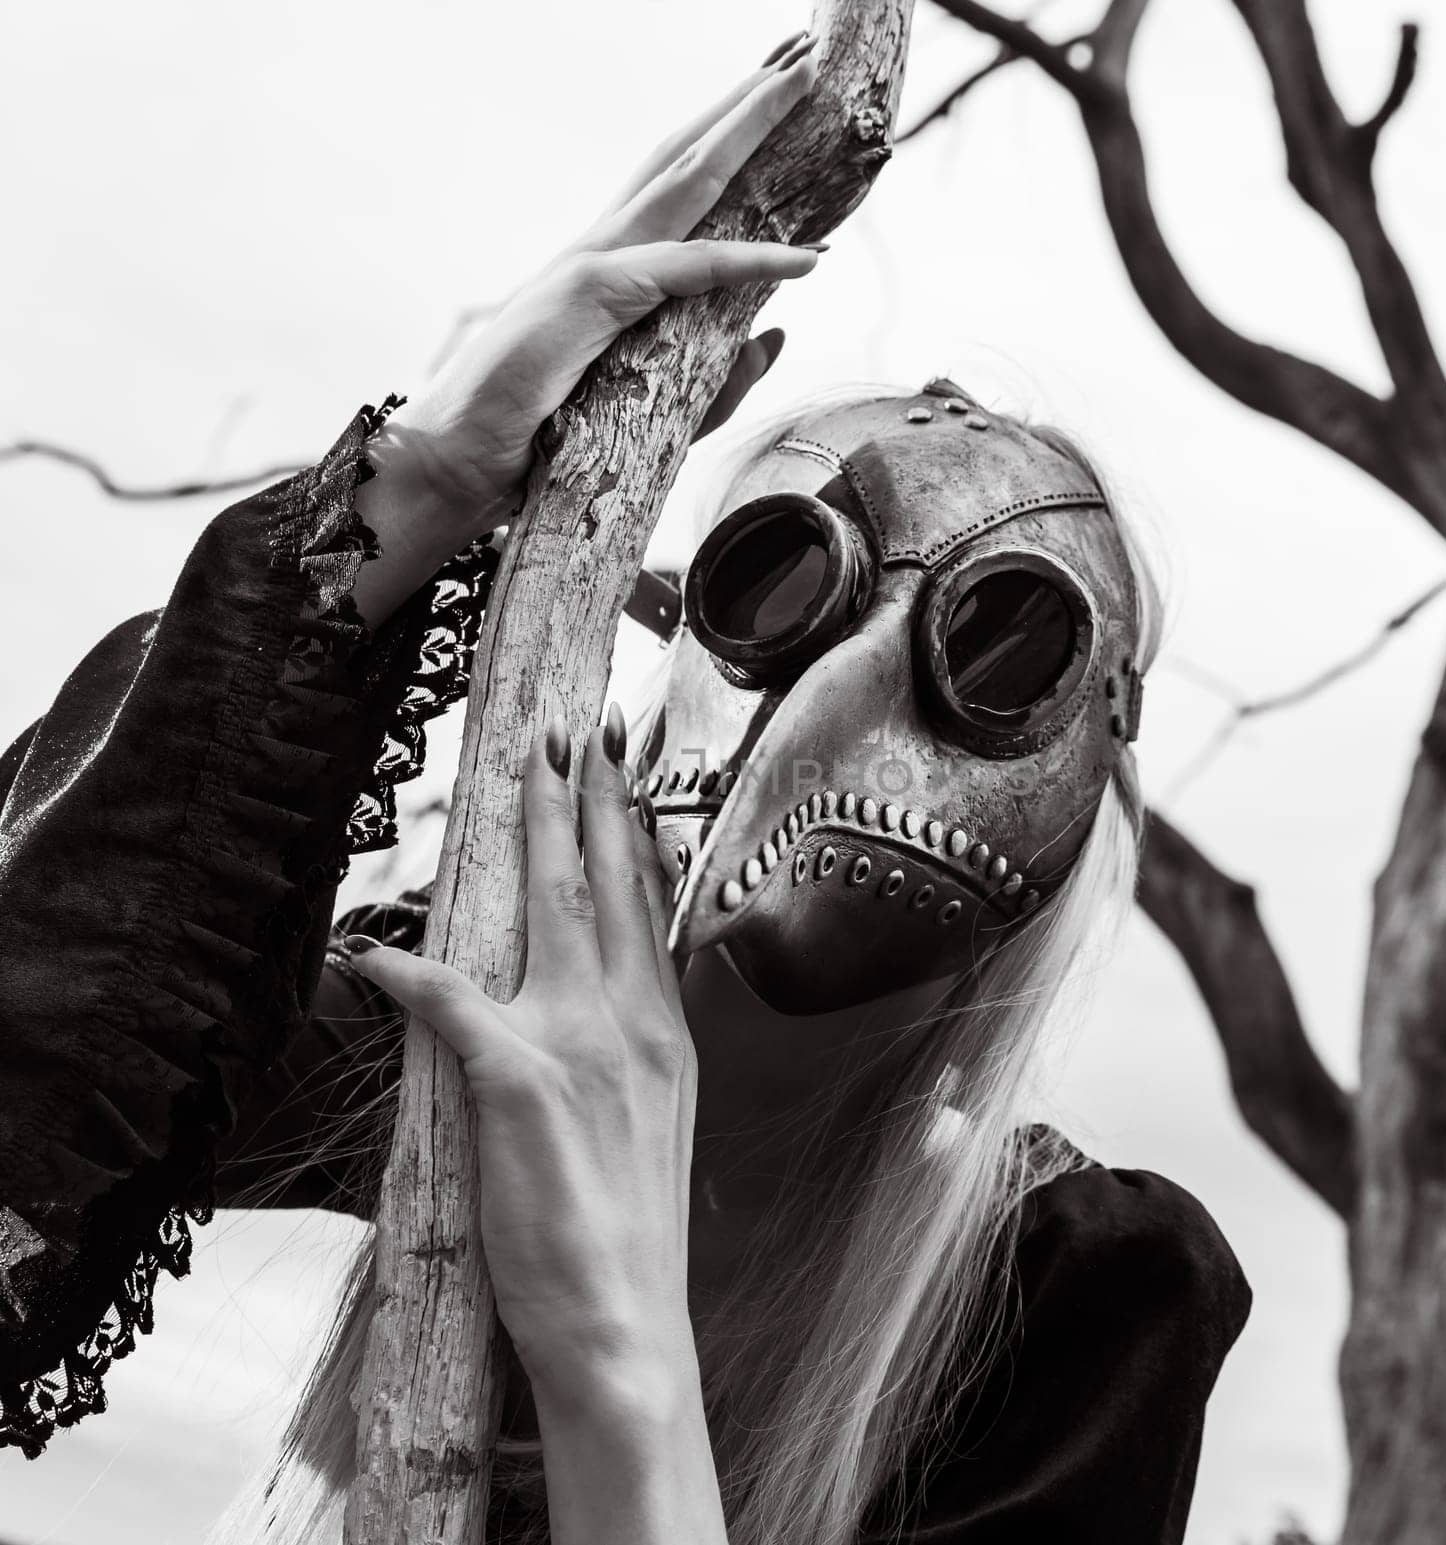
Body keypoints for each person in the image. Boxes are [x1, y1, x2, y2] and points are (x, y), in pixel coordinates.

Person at [0, 32, 1249, 1545]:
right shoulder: (454, 1025)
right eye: (777, 577)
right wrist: (424, 482)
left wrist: (616, 1360)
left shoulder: (1080, 1300)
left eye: (998, 645)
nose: (833, 696)